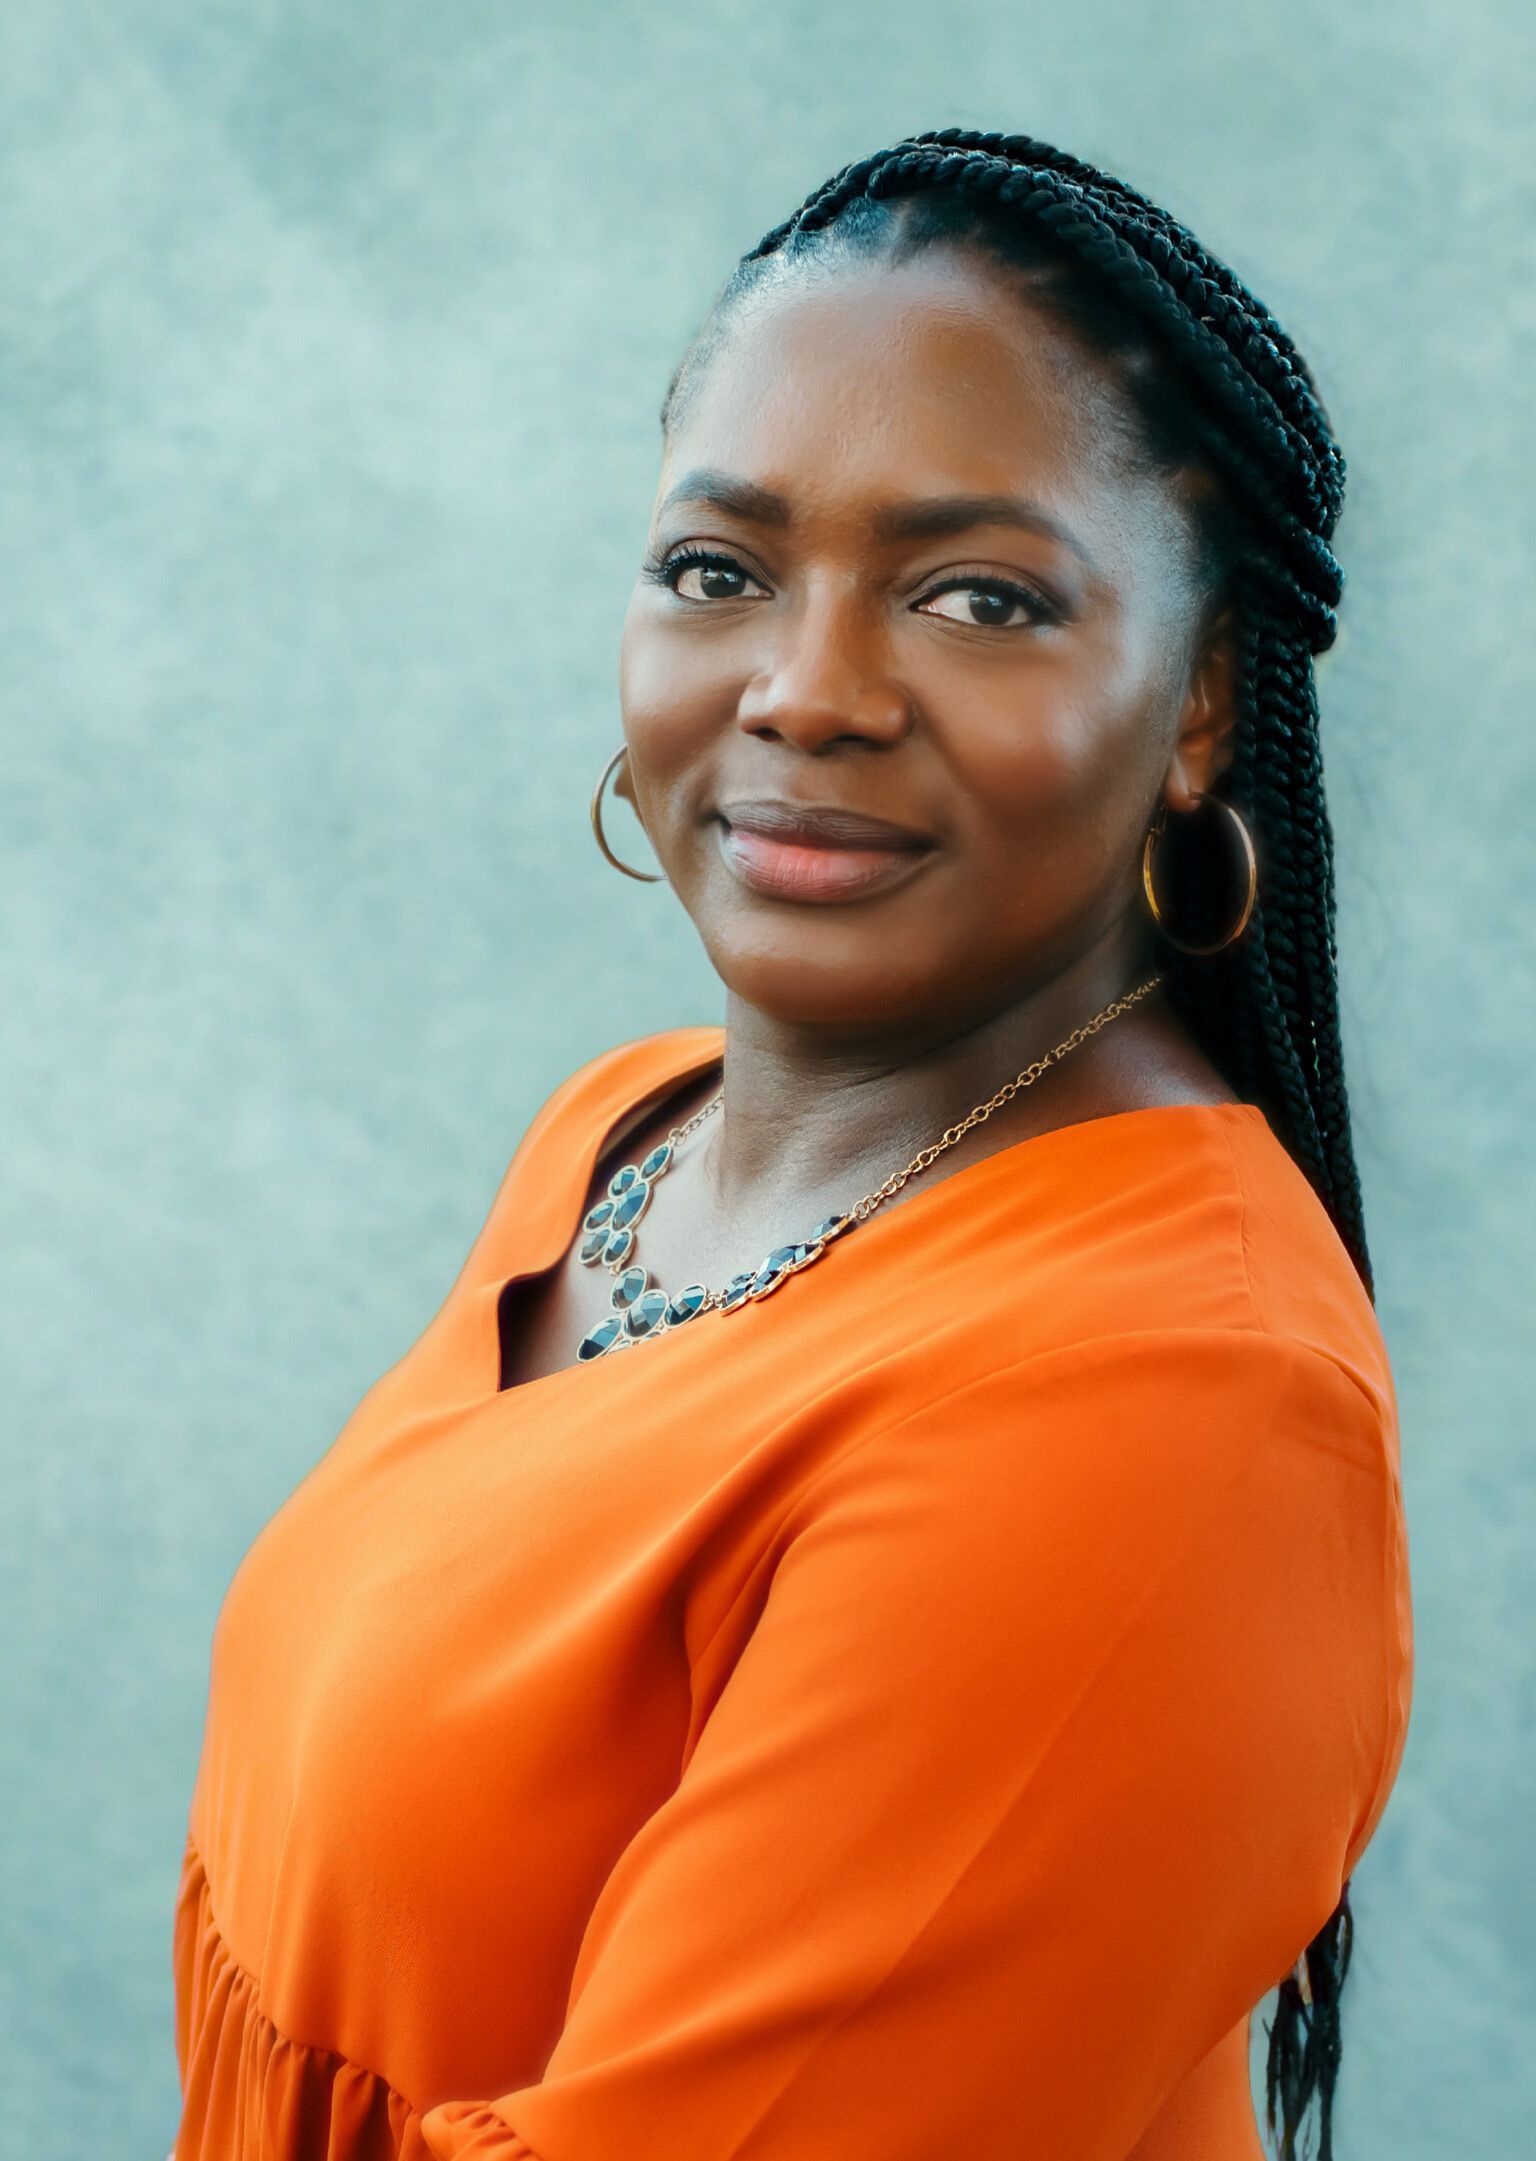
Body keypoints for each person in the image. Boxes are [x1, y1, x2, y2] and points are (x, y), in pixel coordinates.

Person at [169, 129, 1413, 2161]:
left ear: (1198, 701)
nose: (805, 691)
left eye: (978, 596)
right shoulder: (622, 1140)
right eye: (716, 569)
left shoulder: (1166, 1412)